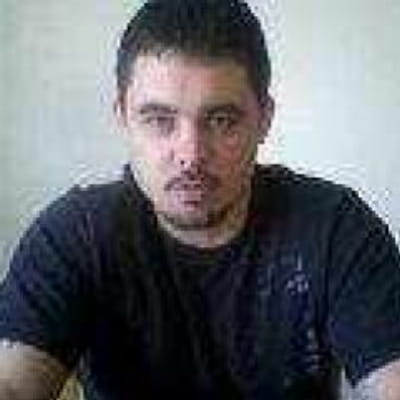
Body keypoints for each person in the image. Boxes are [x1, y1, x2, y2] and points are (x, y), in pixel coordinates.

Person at [1, 0, 400, 398]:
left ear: (264, 119)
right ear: (122, 118)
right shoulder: (76, 236)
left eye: (221, 120)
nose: (190, 154)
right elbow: (14, 383)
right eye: (159, 120)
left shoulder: (334, 228)